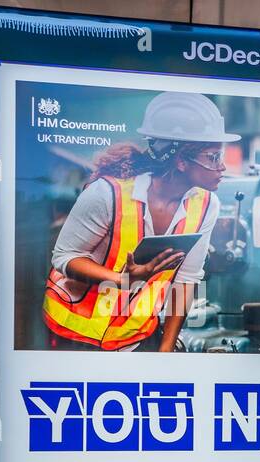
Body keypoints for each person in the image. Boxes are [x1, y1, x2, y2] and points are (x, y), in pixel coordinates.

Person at [43, 91, 236, 352]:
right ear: (180, 161)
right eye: (213, 157)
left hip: (133, 338)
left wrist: (165, 350)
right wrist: (120, 279)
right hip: (74, 334)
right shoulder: (106, 194)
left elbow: (186, 281)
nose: (222, 167)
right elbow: (65, 257)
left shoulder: (205, 206)